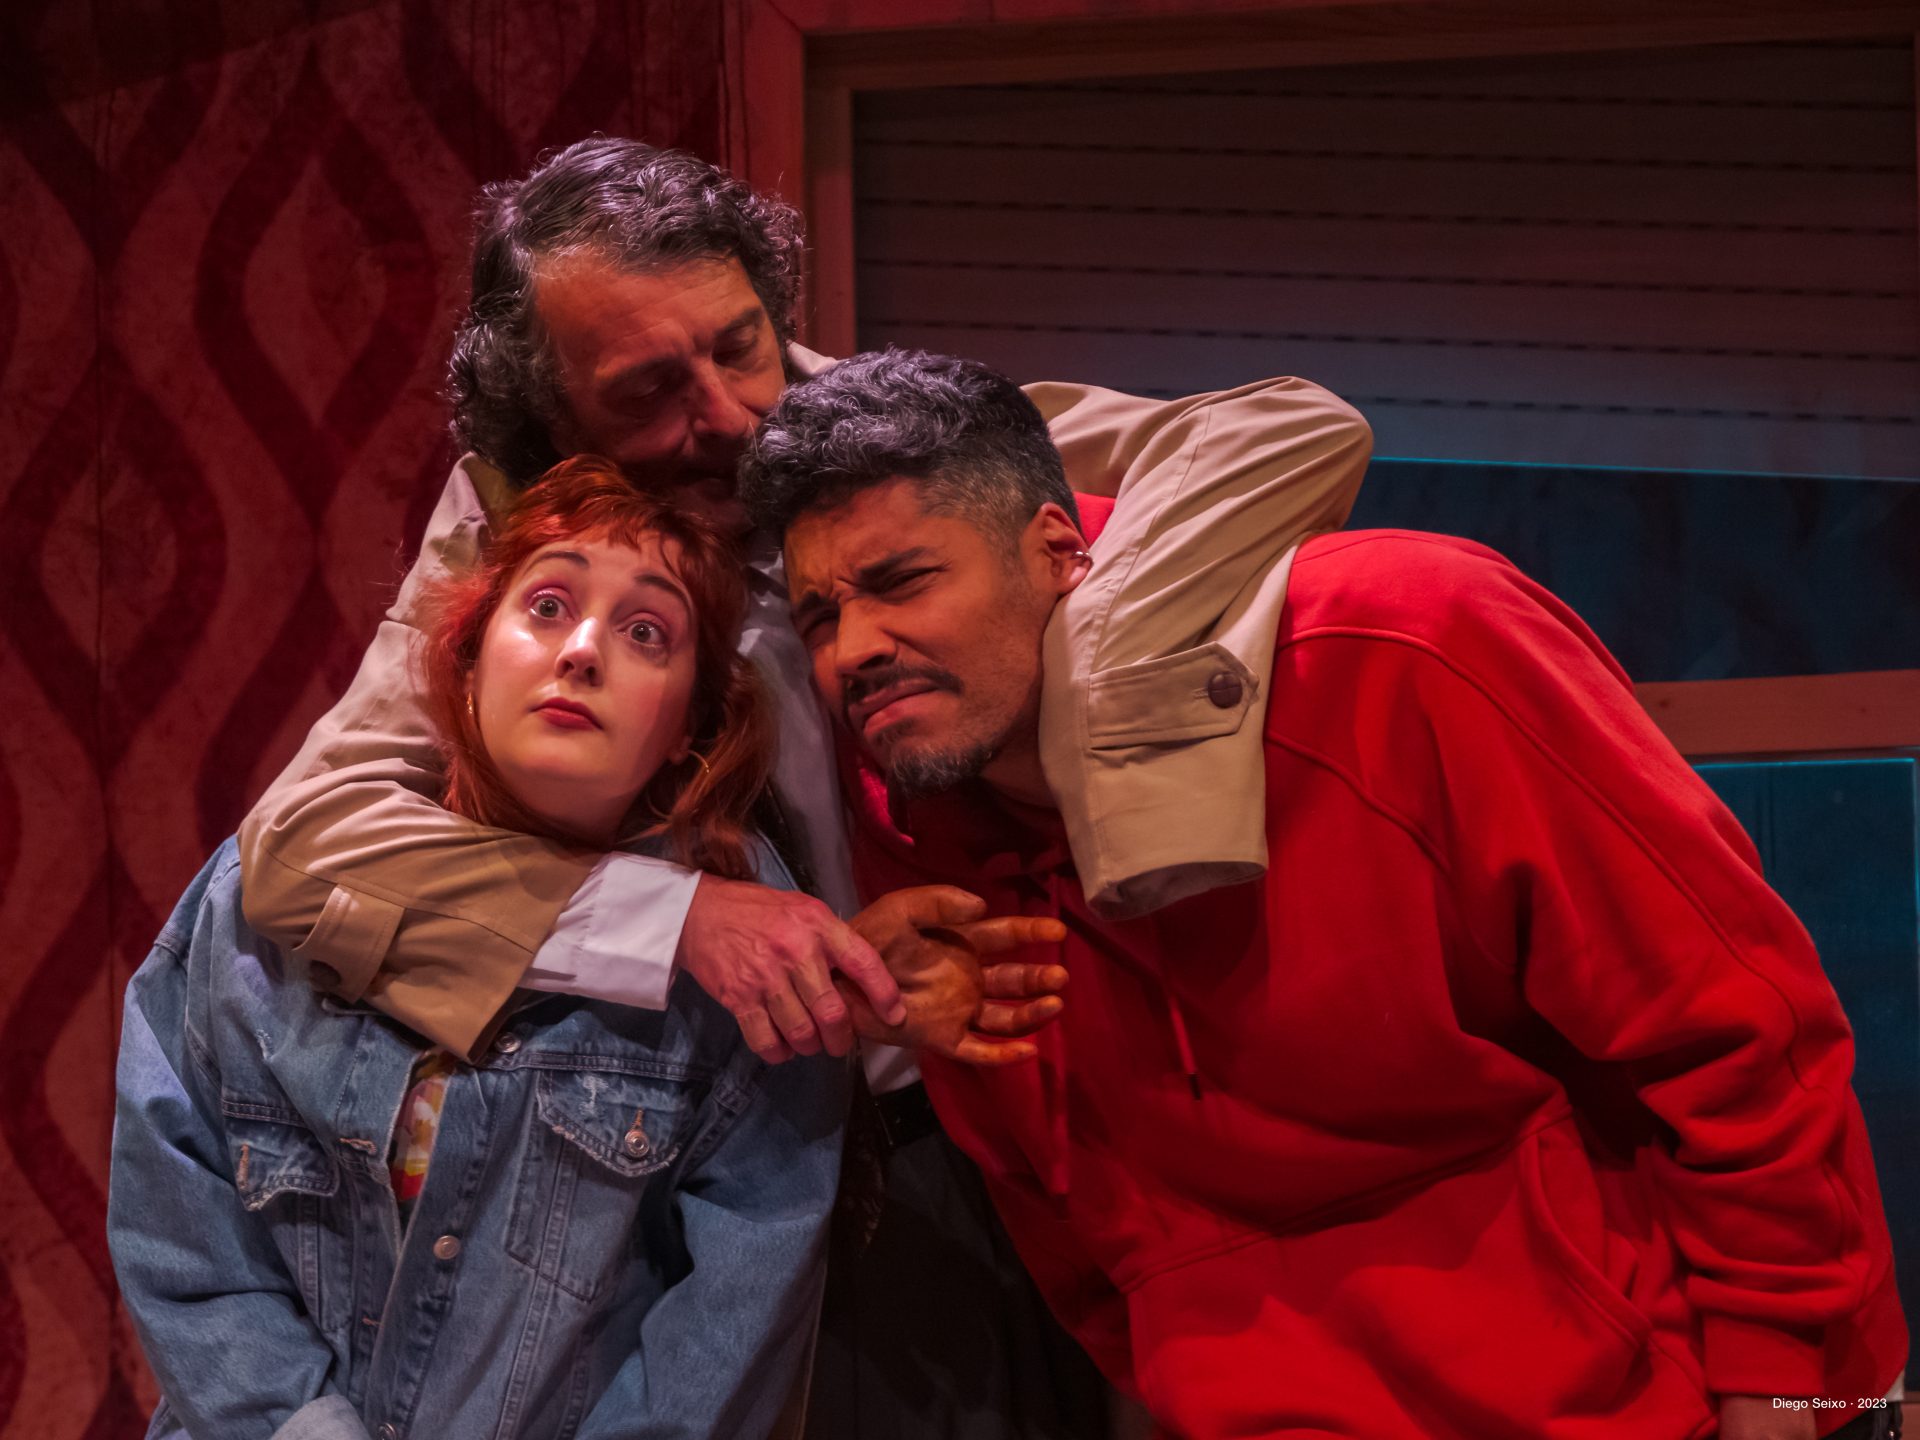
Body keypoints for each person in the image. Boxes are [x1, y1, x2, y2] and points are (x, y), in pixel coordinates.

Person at [234, 139, 1371, 1435]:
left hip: (981, 1132)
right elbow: (307, 844)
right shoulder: (517, 540)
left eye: (742, 346)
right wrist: (673, 922)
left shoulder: (869, 427)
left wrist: (1107, 689)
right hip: (661, 1172)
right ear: (553, 424)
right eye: (650, 392)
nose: (729, 416)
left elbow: (1286, 431)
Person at [738, 348, 1910, 1440]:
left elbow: (1737, 1024)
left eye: (903, 580)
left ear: (1057, 545)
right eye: (821, 617)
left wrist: (1786, 1375)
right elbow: (1067, 1222)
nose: (855, 649)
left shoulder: (1403, 638)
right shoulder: (917, 823)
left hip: (1657, 1404)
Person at [109, 459, 1069, 1440]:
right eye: (548, 607)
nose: (581, 652)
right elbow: (181, 1235)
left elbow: (722, 1331)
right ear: (468, 661)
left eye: (646, 632)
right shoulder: (274, 888)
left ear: (689, 726)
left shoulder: (750, 952)